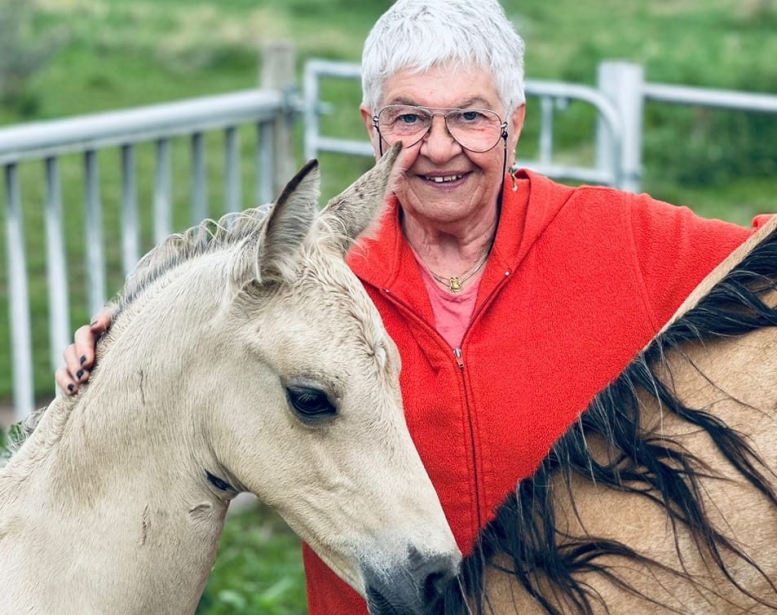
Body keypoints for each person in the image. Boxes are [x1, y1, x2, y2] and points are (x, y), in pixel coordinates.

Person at [56, 0, 767, 612]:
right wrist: (125, 346)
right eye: (408, 119)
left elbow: (763, 262)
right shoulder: (314, 288)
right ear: (370, 126)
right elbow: (194, 375)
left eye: (469, 116)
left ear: (512, 122)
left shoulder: (621, 239)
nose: (438, 147)